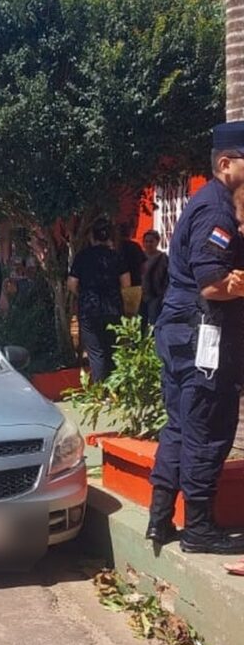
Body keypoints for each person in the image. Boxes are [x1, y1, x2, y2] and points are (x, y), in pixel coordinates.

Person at [146, 121, 244, 557]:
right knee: (207, 425)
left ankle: (160, 519)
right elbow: (212, 284)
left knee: (182, 426)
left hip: (180, 328)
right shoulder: (217, 209)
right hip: (201, 330)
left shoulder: (208, 204)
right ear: (226, 164)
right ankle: (199, 529)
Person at [67, 219, 130, 382]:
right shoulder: (116, 256)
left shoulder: (82, 256)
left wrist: (83, 294)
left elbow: (72, 284)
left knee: (96, 352)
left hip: (89, 309)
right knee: (113, 349)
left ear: (92, 237)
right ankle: (115, 388)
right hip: (113, 309)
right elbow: (126, 283)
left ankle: (101, 392)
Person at [140, 229, 168, 327]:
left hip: (156, 295)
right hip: (140, 294)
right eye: (146, 241)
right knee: (140, 322)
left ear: (157, 242)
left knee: (153, 322)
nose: (148, 244)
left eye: (151, 241)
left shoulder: (163, 258)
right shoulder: (139, 256)